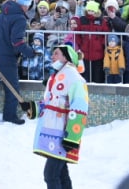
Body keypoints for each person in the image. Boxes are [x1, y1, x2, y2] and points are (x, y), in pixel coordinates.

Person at [32, 44, 89, 189]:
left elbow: (80, 107)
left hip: (63, 134)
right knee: (61, 174)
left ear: (66, 57)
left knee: (51, 175)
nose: (52, 56)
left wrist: (72, 137)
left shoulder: (74, 78)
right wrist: (32, 108)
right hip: (52, 131)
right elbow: (50, 103)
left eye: (56, 53)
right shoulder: (56, 77)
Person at [0, 0, 36, 124]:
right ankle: (10, 115)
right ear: (26, 5)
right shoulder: (20, 18)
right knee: (12, 87)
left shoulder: (3, 12)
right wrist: (30, 52)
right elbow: (17, 41)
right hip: (6, 57)